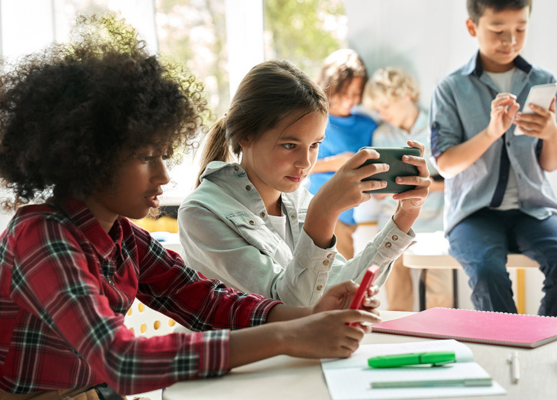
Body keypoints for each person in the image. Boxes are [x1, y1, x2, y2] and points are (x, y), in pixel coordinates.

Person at [0, 15, 383, 399]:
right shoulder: (41, 235)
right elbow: (122, 361)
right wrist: (287, 334)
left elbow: (205, 300)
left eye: (164, 155)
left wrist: (308, 316)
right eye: (147, 157)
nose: (165, 176)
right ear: (90, 158)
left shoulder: (124, 238)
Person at [178, 60, 432, 307]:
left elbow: (340, 289)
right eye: (290, 145)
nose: (305, 162)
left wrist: (405, 216)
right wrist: (323, 212)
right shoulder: (201, 213)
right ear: (245, 135)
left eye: (314, 145)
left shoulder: (297, 200)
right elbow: (291, 310)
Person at [430, 0, 557, 316]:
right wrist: (491, 132)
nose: (511, 40)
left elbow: (551, 164)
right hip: (474, 212)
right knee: (488, 275)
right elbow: (445, 165)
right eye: (498, 30)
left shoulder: (543, 81)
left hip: (534, 208)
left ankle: (542, 347)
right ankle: (506, 352)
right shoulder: (450, 89)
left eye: (520, 28)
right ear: (472, 27)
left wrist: (551, 134)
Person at [362, 67, 453, 311]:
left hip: (435, 225)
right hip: (392, 223)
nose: (382, 113)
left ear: (406, 95)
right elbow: (378, 189)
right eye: (378, 109)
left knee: (441, 296)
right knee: (396, 294)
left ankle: (439, 341)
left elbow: (455, 179)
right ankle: (399, 341)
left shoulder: (439, 129)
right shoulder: (381, 135)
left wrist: (425, 185)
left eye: (386, 106)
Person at [307, 49, 377, 260]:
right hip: (317, 208)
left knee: (342, 279)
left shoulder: (367, 126)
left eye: (356, 92)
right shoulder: (314, 119)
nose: (350, 99)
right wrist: (336, 163)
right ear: (330, 85)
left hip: (350, 214)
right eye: (344, 92)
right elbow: (297, 166)